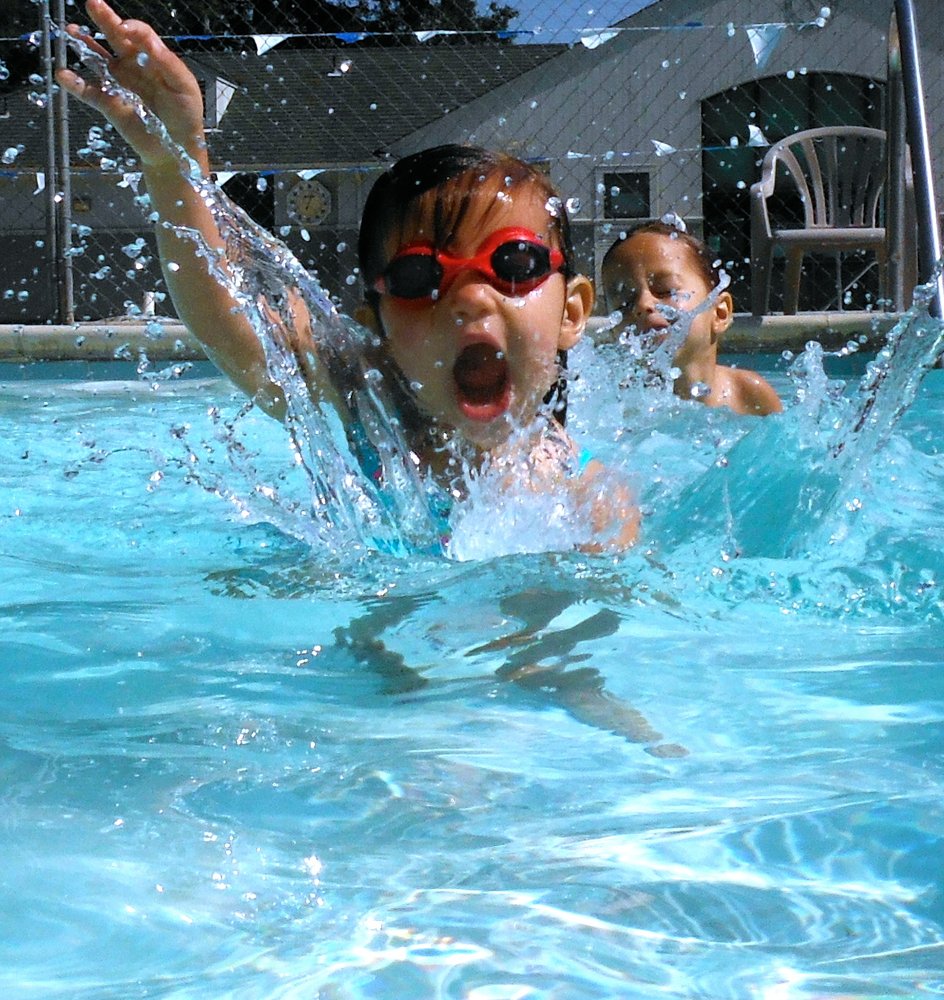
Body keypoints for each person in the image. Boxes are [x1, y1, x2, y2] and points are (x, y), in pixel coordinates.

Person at [57, 0, 639, 550]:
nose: (470, 301)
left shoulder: (587, 500)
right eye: (418, 277)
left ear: (571, 313)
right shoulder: (371, 405)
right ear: (378, 327)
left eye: (512, 264)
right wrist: (174, 159)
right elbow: (230, 323)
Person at [600, 220, 782, 416]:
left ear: (719, 313)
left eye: (666, 290)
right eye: (624, 303)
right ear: (613, 331)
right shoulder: (619, 408)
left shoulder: (748, 394)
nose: (643, 304)